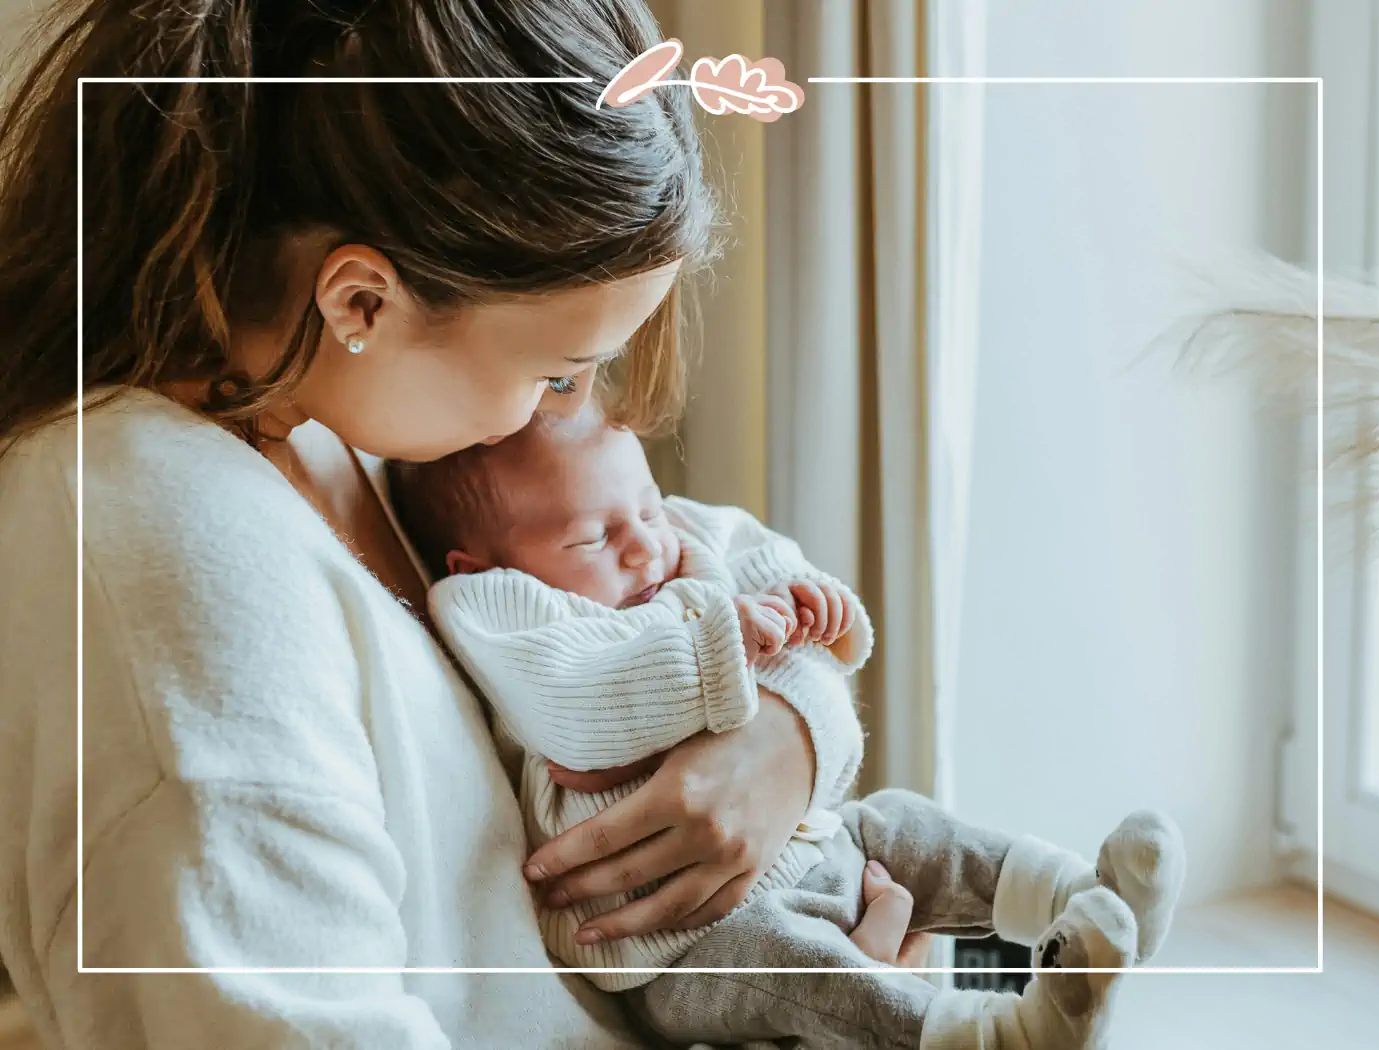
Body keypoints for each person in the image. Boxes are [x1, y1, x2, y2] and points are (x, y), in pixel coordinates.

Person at [0, 2, 933, 1047]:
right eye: (555, 373)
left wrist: (785, 728)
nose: (561, 416)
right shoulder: (164, 565)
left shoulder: (325, 424)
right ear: (359, 301)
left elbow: (699, 554)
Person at [390, 408, 1188, 1050]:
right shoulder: (496, 609)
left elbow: (752, 559)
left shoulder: (664, 544)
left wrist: (812, 605)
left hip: (812, 842)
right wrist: (722, 639)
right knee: (812, 975)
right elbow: (577, 705)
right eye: (593, 538)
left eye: (646, 507)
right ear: (480, 565)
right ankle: (999, 1036)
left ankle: (1086, 898)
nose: (645, 546)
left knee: (906, 825)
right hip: (687, 948)